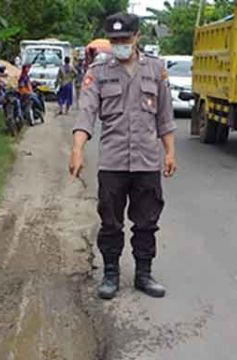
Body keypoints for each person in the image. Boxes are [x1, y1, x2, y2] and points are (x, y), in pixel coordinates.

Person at [69, 12, 178, 300]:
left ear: (137, 37)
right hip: (113, 163)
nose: (119, 44)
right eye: (114, 40)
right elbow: (86, 113)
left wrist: (170, 152)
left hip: (146, 162)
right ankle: (110, 274)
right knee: (110, 222)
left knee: (146, 222)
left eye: (124, 39)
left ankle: (144, 274)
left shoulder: (155, 70)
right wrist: (78, 149)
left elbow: (165, 117)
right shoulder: (100, 72)